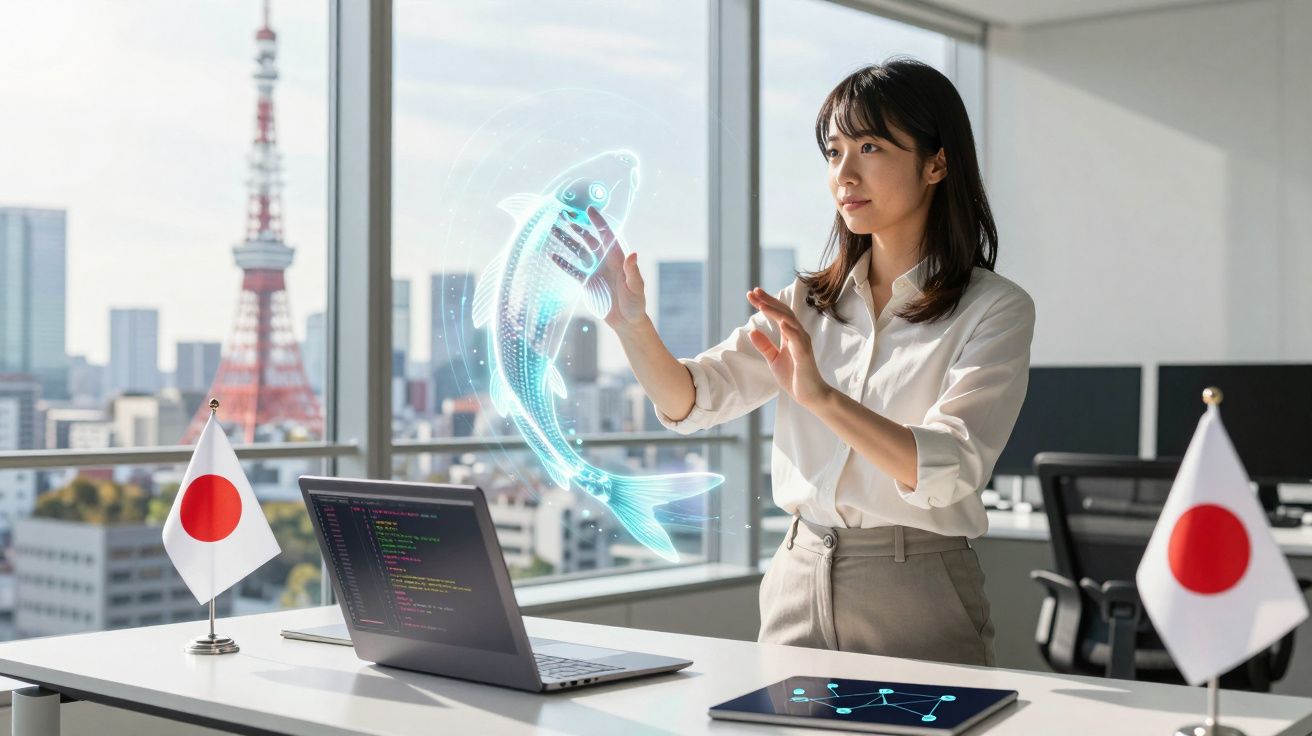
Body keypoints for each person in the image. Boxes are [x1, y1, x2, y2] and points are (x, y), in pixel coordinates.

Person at [548, 58, 1034, 667]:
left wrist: (822, 399)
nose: (845, 174)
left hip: (918, 583)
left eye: (871, 146)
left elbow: (950, 469)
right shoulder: (807, 303)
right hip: (797, 573)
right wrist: (629, 322)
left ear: (936, 163)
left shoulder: (994, 308)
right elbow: (691, 401)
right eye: (833, 153)